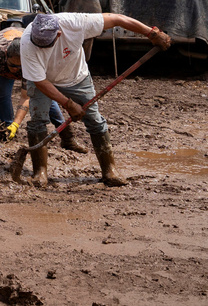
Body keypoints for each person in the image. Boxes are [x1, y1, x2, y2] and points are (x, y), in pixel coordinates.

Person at [21, 13, 171, 188]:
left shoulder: (75, 23)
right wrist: (68, 104)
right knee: (38, 120)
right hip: (44, 80)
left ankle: (109, 170)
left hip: (76, 78)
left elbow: (117, 19)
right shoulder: (27, 42)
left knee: (94, 120)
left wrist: (150, 33)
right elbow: (40, 81)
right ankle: (40, 172)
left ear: (59, 34)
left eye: (46, 44)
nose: (41, 48)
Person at [0, 26, 86, 153]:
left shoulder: (30, 61)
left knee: (45, 96)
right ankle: (6, 132)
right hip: (2, 64)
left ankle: (67, 137)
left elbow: (26, 97)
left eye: (19, 67)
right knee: (2, 95)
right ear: (6, 55)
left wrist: (16, 124)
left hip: (27, 62)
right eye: (13, 65)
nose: (16, 70)